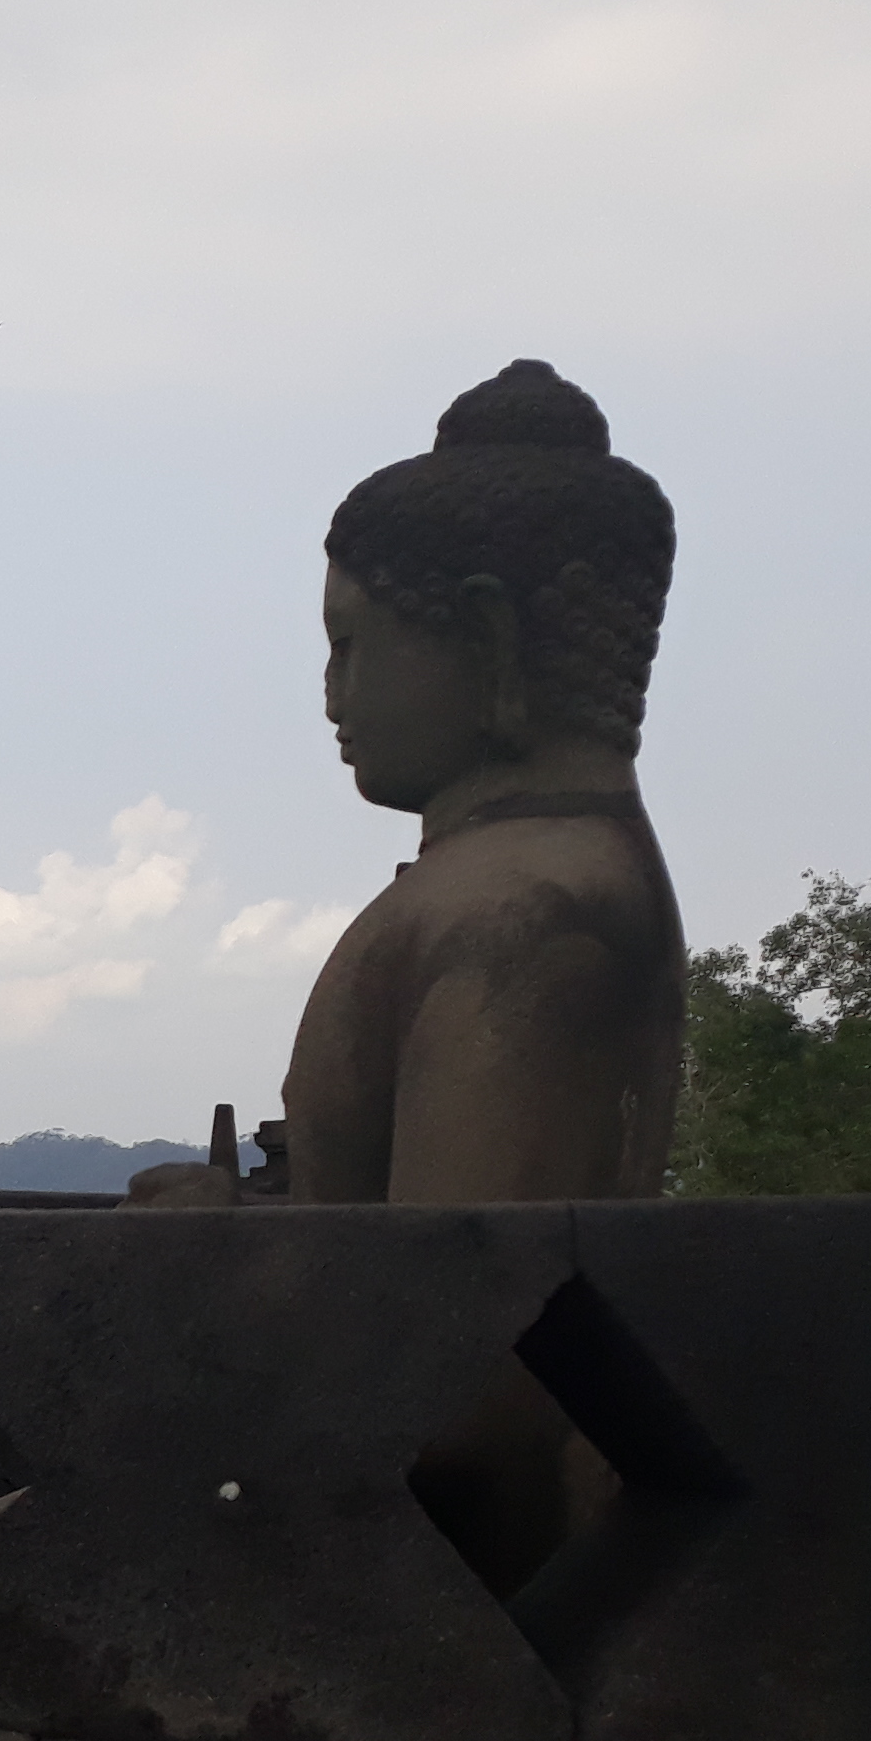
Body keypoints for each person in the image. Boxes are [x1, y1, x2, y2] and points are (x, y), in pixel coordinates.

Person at [283, 359, 687, 1204]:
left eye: (350, 645)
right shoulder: (545, 881)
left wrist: (208, 1255)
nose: (331, 695)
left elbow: (457, 1294)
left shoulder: (523, 916)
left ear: (489, 640)